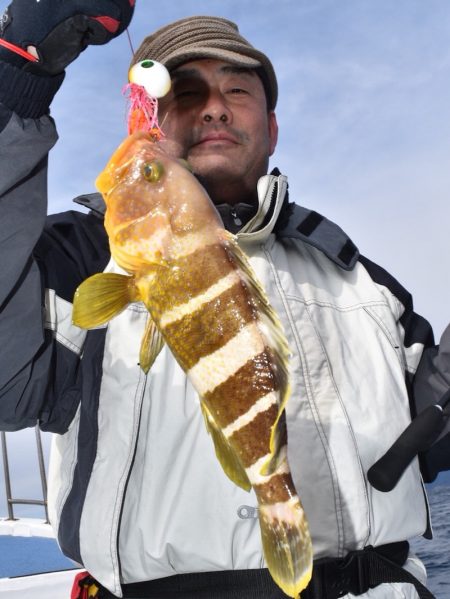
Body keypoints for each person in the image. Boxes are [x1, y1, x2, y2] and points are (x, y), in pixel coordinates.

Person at [0, 3, 449, 599]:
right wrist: (15, 85)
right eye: (186, 91)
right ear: (146, 123)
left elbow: (431, 436)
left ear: (272, 126)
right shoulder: (75, 261)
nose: (214, 105)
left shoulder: (365, 284)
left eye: (238, 88)